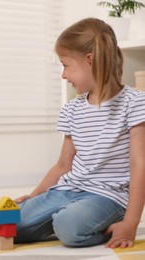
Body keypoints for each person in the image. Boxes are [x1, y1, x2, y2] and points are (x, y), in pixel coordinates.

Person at [14, 18, 145, 248]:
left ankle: (97, 223)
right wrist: (34, 196)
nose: (63, 75)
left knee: (69, 227)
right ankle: (66, 218)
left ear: (89, 61)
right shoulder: (72, 109)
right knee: (12, 224)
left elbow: (139, 164)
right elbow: (63, 165)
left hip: (108, 197)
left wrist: (131, 223)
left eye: (66, 65)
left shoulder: (134, 104)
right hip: (67, 190)